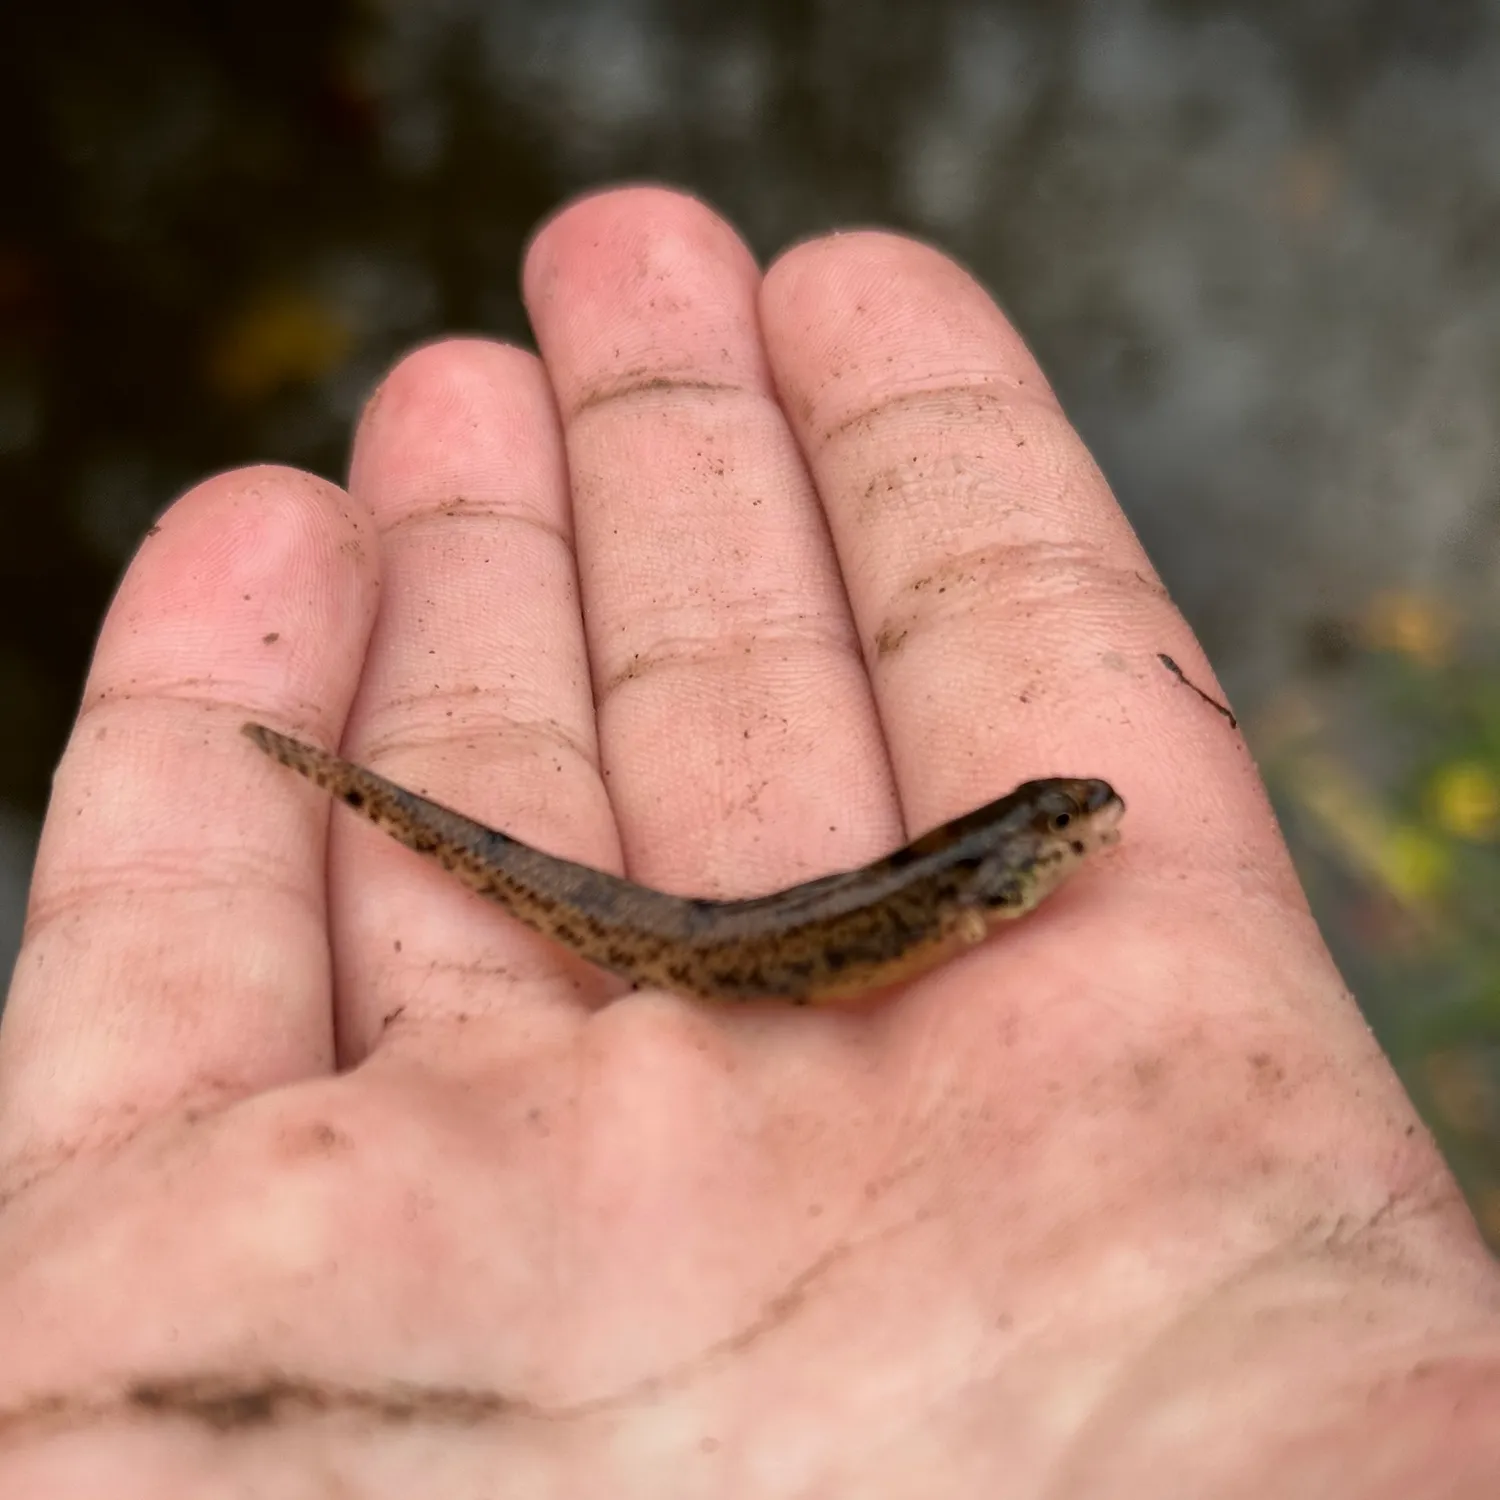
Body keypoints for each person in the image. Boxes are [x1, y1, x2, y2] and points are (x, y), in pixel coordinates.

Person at [0, 185, 1494, 1496]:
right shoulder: (973, 889)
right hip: (711, 943)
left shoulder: (989, 892)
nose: (1089, 830)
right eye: (1064, 823)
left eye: (1068, 824)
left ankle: (339, 777)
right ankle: (327, 776)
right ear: (999, 872)